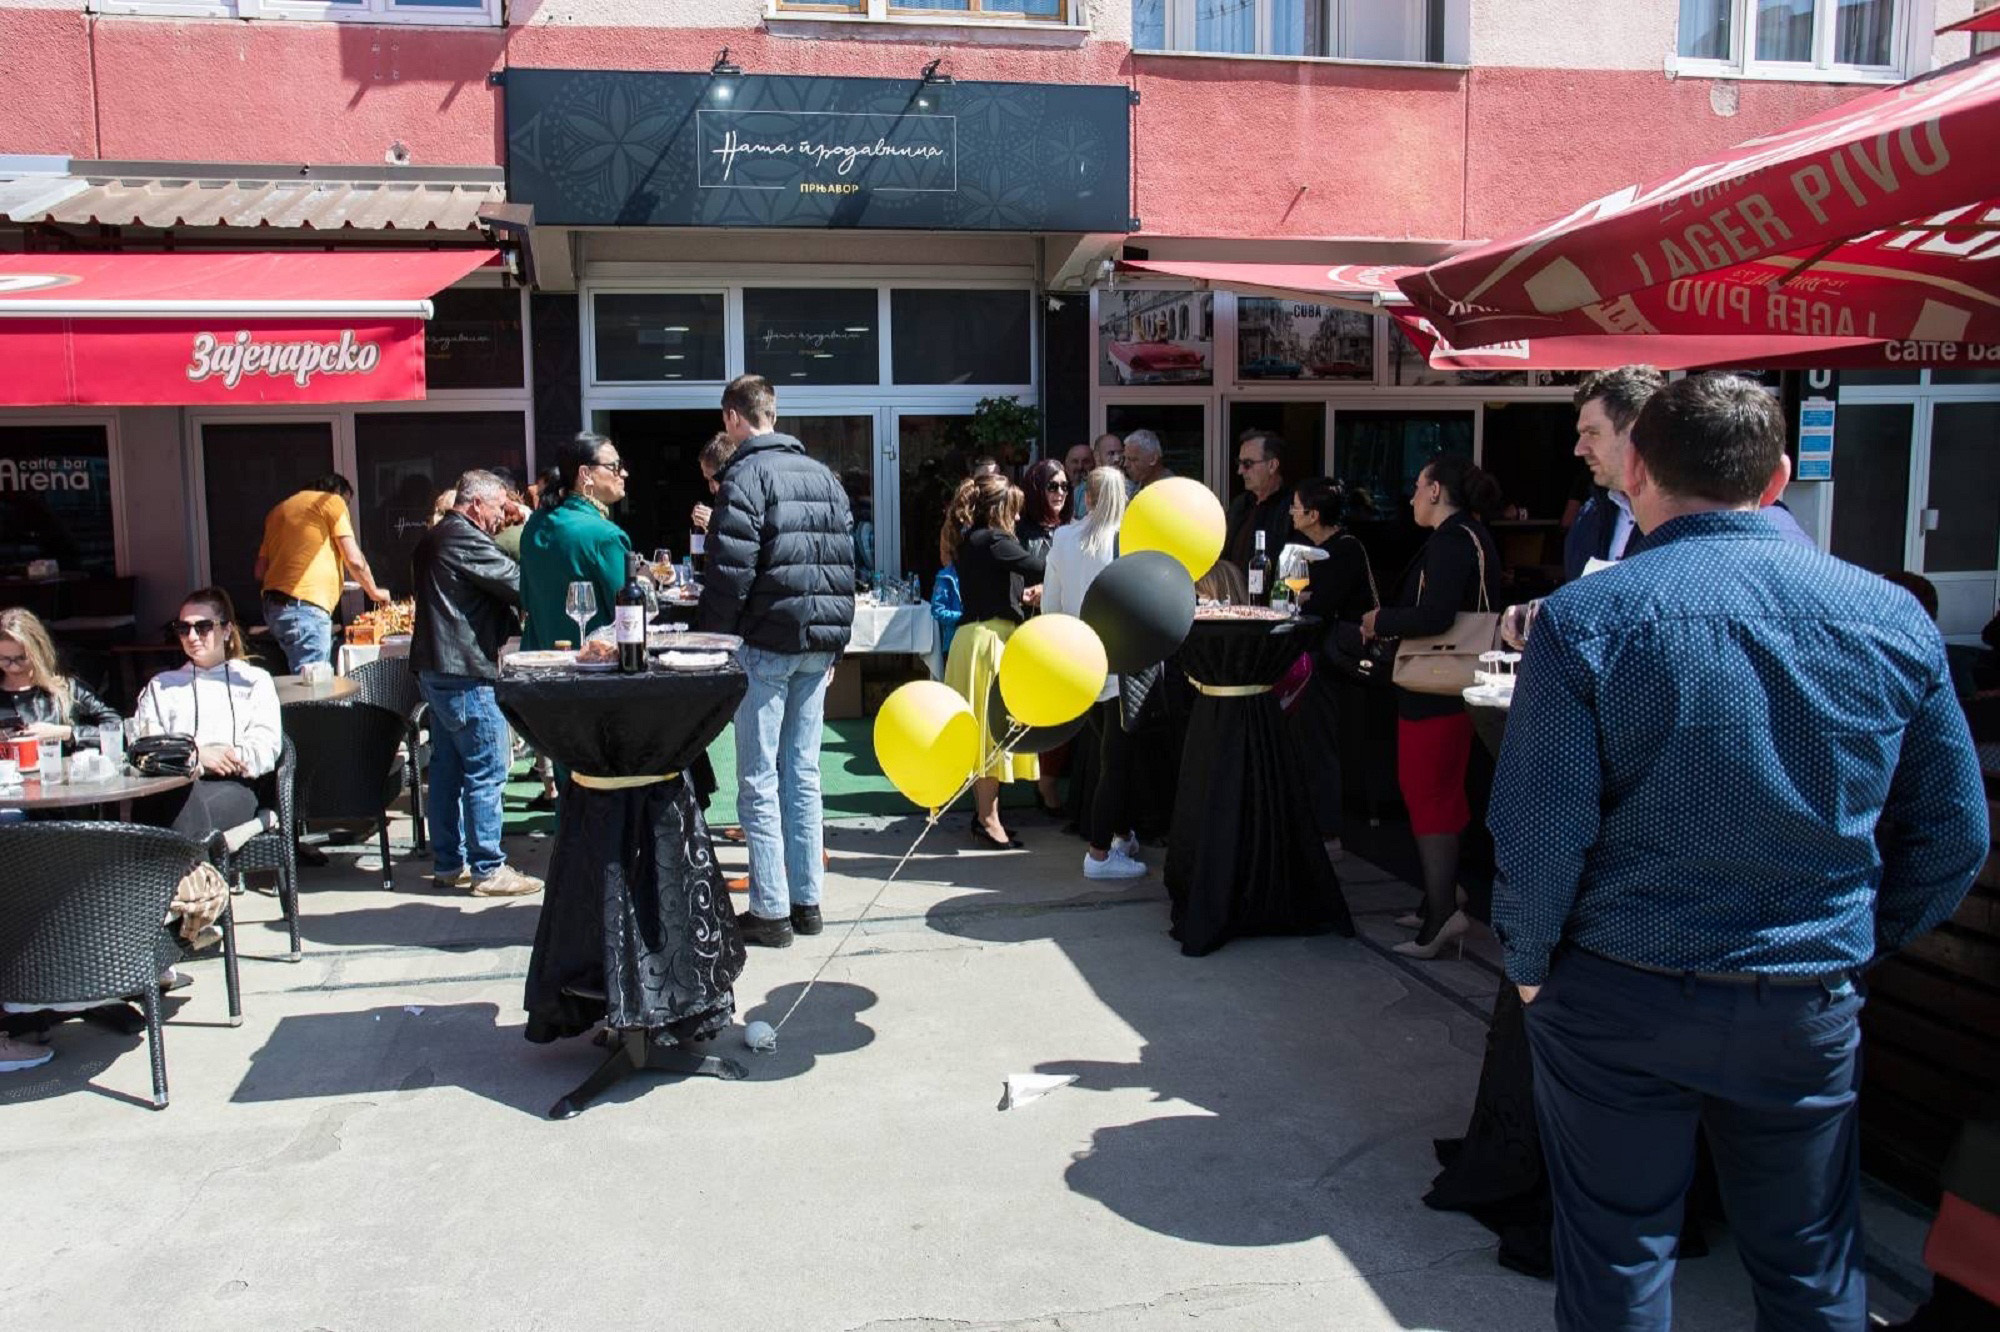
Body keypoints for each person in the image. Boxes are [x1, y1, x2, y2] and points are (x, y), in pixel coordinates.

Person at [1491, 373, 1987, 1332]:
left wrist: (1529, 964)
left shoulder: (1590, 619)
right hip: (1797, 995)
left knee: (1619, 1263)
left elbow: (1539, 829)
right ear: (1779, 479)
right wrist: (1849, 944)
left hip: (1620, 990)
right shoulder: (1889, 615)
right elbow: (1954, 833)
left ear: (1637, 468)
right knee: (1810, 1272)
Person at [700, 374, 857, 949]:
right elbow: (847, 562)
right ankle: (806, 901)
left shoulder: (745, 475)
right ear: (773, 411)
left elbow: (730, 571)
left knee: (760, 777)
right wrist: (837, 639)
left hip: (767, 640)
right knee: (804, 773)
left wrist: (712, 639)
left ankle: (770, 908)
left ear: (733, 418)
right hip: (817, 641)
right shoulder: (822, 476)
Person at [1360, 453, 1502, 960]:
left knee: (1428, 794)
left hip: (1437, 688)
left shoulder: (1451, 540)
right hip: (1452, 685)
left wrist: (1381, 620)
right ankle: (1440, 896)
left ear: (1437, 490)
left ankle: (1442, 913)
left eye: (1419, 487)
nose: (1412, 497)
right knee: (1440, 791)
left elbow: (1436, 614)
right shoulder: (1470, 535)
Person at [409, 471, 541, 899]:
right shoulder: (464, 537)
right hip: (465, 669)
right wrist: (529, 523)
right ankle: (488, 868)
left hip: (439, 668)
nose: (503, 515)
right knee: (487, 769)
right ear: (476, 504)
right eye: (499, 506)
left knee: (446, 771)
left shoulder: (436, 536)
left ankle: (449, 863)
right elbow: (520, 584)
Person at [1566, 365, 1811, 580]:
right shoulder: (1592, 514)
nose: (1579, 449)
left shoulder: (1740, 516)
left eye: (1592, 433)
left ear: (1636, 431)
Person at [1044, 467, 1145, 881]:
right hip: (1122, 664)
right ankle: (1099, 855)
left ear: (1087, 497)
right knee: (1115, 762)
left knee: (1110, 755)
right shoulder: (1131, 539)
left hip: (1079, 662)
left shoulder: (1063, 539)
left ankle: (1121, 835)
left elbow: (1050, 607)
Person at [944, 474, 1046, 851]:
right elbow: (1040, 566)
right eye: (1014, 510)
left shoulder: (973, 539)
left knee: (984, 733)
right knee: (992, 734)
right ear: (1000, 509)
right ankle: (988, 819)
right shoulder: (995, 540)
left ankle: (986, 815)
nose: (1018, 519)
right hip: (990, 642)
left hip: (973, 639)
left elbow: (998, 582)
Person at [132, 587, 282, 841]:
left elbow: (266, 746)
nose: (192, 636)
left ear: (226, 630)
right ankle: (198, 863)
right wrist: (197, 755)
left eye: (203, 627)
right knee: (168, 798)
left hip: (233, 785)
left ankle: (179, 864)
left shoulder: (253, 680)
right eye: (183, 628)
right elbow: (145, 746)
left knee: (172, 811)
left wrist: (222, 759)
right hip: (171, 786)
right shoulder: (161, 685)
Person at [1288, 478, 1375, 861]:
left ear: (1313, 514)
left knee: (1321, 740)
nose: (1291, 512)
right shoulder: (1309, 549)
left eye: (1296, 506)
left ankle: (1327, 831)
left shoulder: (1345, 549)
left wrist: (1303, 598)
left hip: (1336, 659)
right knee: (1312, 738)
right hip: (1318, 654)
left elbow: (1318, 604)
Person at [256, 473, 390, 672]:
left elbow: (260, 571)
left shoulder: (278, 511)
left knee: (299, 679)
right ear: (337, 492)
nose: (346, 510)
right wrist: (374, 592)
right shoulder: (331, 501)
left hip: (274, 609)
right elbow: (354, 559)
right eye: (346, 503)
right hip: (305, 609)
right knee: (314, 684)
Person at [519, 433, 640, 651]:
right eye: (614, 466)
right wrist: (644, 582)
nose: (623, 473)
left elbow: (526, 599)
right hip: (591, 663)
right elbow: (629, 616)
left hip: (538, 661)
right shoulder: (606, 535)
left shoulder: (534, 524)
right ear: (585, 474)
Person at [0, 607, 121, 751]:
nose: (13, 667)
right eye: (4, 659)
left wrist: (65, 733)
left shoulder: (67, 689)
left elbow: (118, 729)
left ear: (38, 652)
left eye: (21, 658)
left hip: (56, 764)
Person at [1224, 430, 1294, 576]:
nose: (1240, 471)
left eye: (1247, 464)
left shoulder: (1292, 509)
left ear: (1272, 465)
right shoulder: (1240, 504)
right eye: (1239, 463)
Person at [1017, 459, 1069, 560]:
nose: (1060, 492)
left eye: (1064, 486)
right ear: (1036, 490)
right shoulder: (1018, 533)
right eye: (1052, 486)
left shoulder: (1074, 529)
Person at [1062, 442, 1094, 519]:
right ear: (1065, 465)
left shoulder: (1094, 490)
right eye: (1075, 462)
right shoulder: (1056, 489)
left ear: (1094, 464)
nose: (1080, 466)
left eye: (1086, 462)